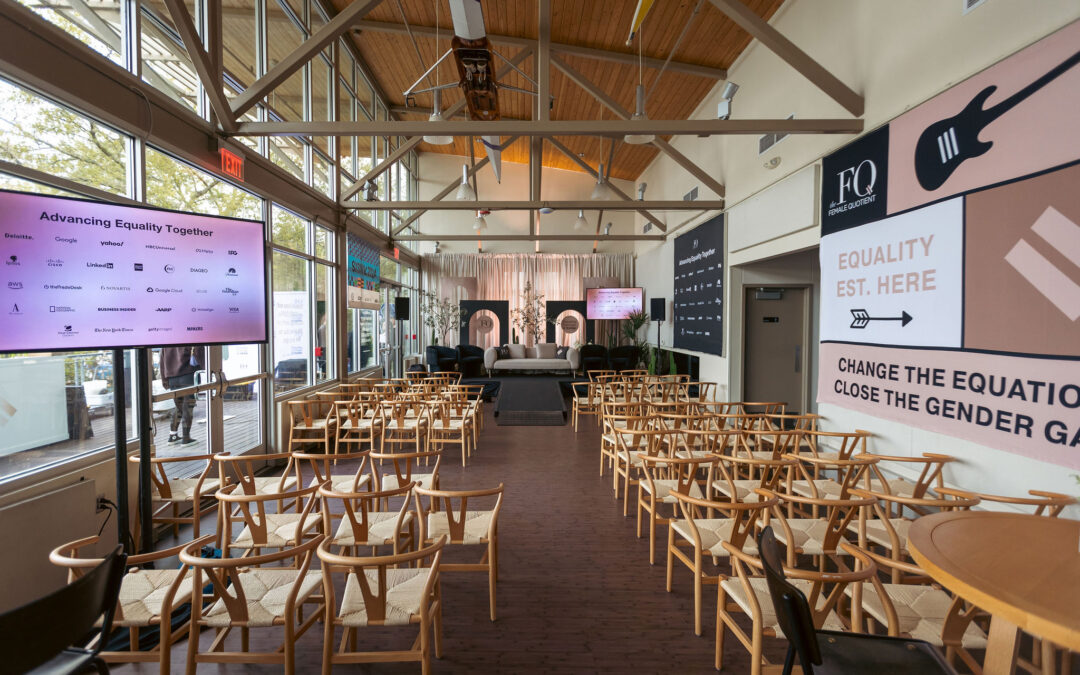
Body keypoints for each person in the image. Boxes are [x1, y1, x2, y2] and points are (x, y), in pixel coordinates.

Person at [160, 345, 203, 444]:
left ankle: (173, 435)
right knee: (188, 407)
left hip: (172, 379)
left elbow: (162, 360)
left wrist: (164, 379)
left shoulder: (166, 342)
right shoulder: (186, 337)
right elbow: (198, 351)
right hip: (188, 376)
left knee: (178, 407)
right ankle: (186, 438)